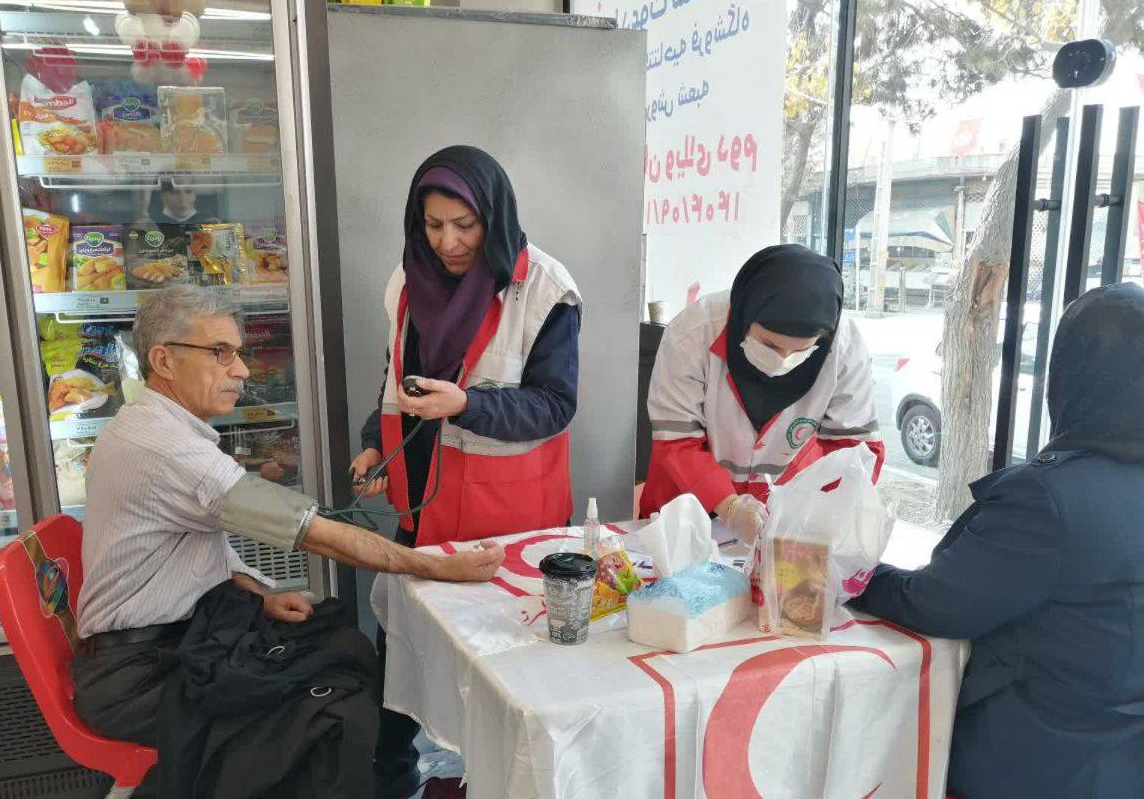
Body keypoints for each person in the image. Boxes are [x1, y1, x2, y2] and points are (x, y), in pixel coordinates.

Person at [72, 285, 504, 798]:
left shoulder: (159, 429)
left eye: (238, 353)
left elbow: (188, 550)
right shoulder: (165, 448)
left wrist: (259, 594)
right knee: (332, 709)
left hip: (178, 639)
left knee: (343, 643)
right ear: (163, 360)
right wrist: (435, 567)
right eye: (220, 352)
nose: (242, 370)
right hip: (139, 676)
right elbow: (314, 534)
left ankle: (380, 780)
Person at [849, 282, 1144, 799]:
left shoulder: (1049, 499)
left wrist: (851, 574)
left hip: (1034, 759)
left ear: (1070, 375)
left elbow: (938, 604)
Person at [350, 145, 581, 795]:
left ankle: (502, 780)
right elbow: (397, 378)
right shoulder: (409, 281)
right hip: (422, 502)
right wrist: (374, 446)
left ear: (493, 218)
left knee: (503, 666)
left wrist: (467, 405)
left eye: (464, 225)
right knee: (403, 643)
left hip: (507, 519)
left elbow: (555, 405)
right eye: (432, 224)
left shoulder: (546, 289)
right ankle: (393, 771)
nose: (447, 242)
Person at [640, 243, 883, 540]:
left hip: (786, 522)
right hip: (686, 510)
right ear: (744, 314)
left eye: (801, 351)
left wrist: (819, 517)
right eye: (769, 344)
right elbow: (678, 440)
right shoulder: (693, 333)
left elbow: (856, 454)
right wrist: (731, 508)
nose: (782, 360)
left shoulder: (844, 349)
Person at [148, 179, 217, 225]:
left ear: (195, 194)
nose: (182, 199)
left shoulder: (209, 222)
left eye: (188, 191)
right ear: (162, 195)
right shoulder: (152, 223)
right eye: (175, 192)